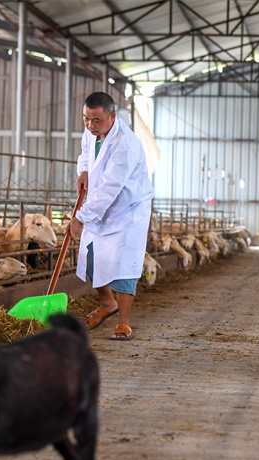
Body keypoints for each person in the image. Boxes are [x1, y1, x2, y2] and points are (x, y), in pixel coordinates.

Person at [68, 92, 154, 341]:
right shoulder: (92, 130)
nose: (90, 125)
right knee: (92, 257)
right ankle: (107, 303)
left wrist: (81, 217)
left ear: (112, 117)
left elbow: (109, 188)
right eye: (86, 119)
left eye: (96, 120)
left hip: (127, 211)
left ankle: (123, 323)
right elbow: (86, 150)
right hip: (100, 205)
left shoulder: (125, 145)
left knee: (124, 265)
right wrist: (83, 170)